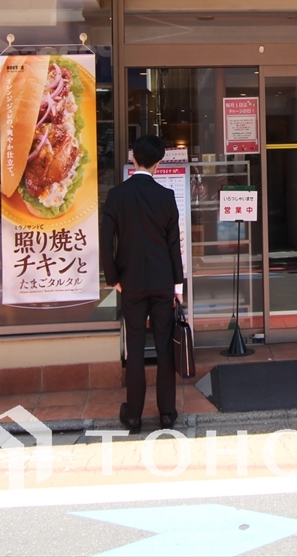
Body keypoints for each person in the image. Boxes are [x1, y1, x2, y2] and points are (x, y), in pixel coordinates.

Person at [100, 135, 185, 434]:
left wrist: (114, 279)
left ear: (133, 158)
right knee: (164, 348)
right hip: (162, 283)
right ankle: (167, 414)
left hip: (131, 283)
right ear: (159, 163)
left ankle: (134, 416)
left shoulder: (117, 196)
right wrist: (178, 285)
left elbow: (105, 243)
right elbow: (173, 246)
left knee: (134, 349)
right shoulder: (166, 197)